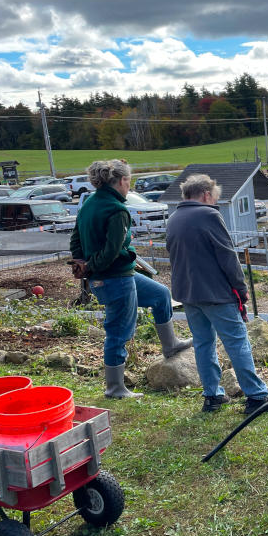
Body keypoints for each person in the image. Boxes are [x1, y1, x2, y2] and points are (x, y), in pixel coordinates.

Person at [70, 159, 191, 399]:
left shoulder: (89, 204)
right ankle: (115, 388)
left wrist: (80, 262)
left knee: (160, 294)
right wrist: (92, 266)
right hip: (115, 278)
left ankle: (170, 345)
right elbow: (113, 250)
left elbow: (75, 238)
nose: (129, 187)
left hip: (117, 275)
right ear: (122, 181)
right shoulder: (117, 210)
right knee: (118, 331)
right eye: (129, 182)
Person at [164, 174, 268, 413]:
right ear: (206, 194)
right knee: (236, 341)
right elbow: (227, 256)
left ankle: (212, 396)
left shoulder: (174, 219)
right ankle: (256, 395)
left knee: (203, 343)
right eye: (214, 198)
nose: (214, 202)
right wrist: (241, 288)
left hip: (189, 293)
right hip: (215, 293)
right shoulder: (209, 215)